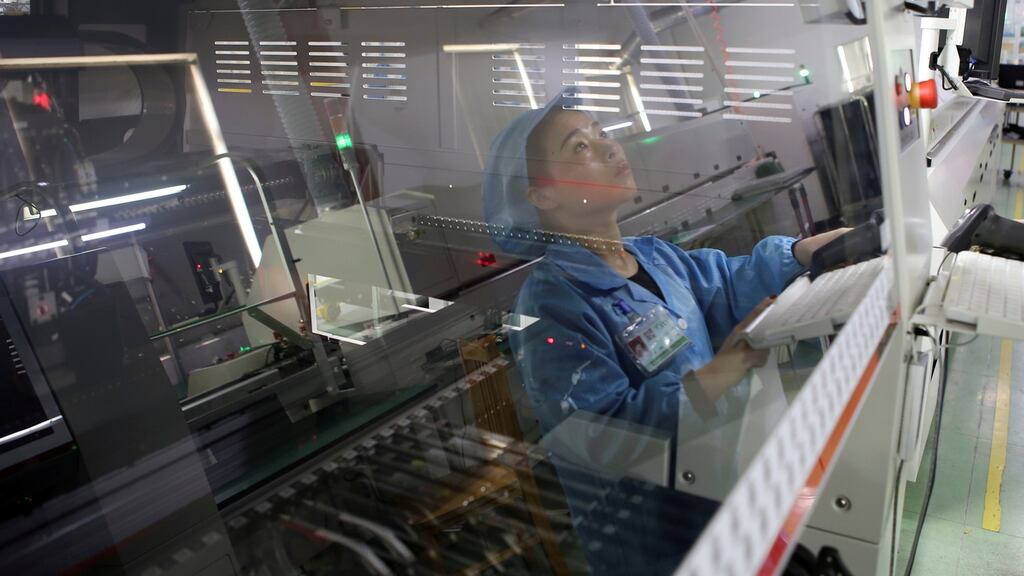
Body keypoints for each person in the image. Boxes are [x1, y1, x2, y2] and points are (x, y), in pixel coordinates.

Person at [481, 94, 850, 574]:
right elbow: (598, 437)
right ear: (542, 196)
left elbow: (728, 283)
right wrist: (721, 371)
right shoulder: (552, 303)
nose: (610, 149)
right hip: (658, 544)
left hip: (723, 501)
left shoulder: (652, 256)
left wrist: (805, 251)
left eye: (603, 133)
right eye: (580, 148)